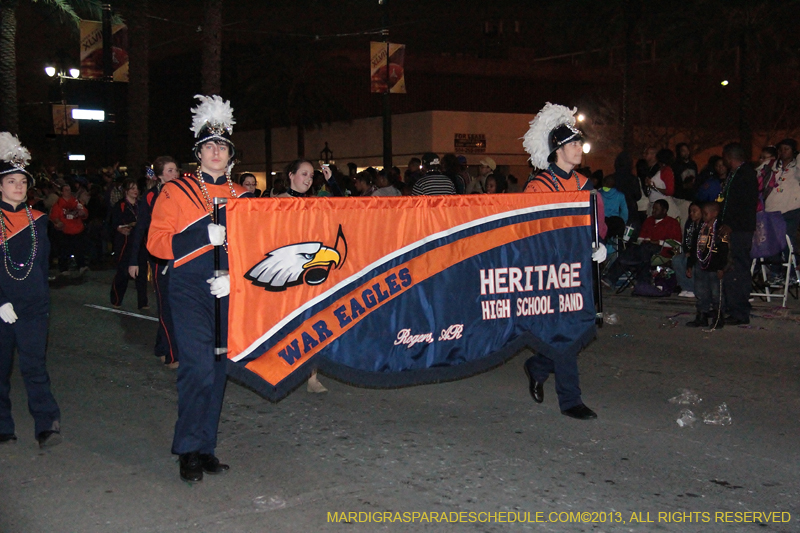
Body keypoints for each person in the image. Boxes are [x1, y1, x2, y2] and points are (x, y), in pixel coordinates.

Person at [148, 95, 251, 482]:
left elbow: (254, 248)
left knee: (220, 369)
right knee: (198, 368)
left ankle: (206, 446)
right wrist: (199, 237)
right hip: (189, 287)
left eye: (222, 145)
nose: (216, 151)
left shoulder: (244, 197)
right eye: (209, 145)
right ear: (198, 153)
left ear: (231, 154)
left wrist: (237, 277)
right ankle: (188, 448)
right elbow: (156, 243)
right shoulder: (175, 191)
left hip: (229, 290)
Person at [520, 102, 606, 421]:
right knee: (565, 333)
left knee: (580, 329)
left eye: (580, 143)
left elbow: (595, 224)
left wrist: (600, 245)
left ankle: (538, 366)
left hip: (578, 269)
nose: (579, 148)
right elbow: (528, 232)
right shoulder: (537, 187)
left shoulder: (585, 185)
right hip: (549, 272)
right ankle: (570, 400)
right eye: (573, 144)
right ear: (558, 150)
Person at [0, 133, 61, 448]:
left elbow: (42, 264)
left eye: (22, 182)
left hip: (34, 307)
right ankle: (2, 426)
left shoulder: (38, 220)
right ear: (0, 186)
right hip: (2, 307)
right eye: (11, 181)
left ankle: (46, 424)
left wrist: (41, 300)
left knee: (35, 367)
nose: (18, 187)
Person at [128, 156, 180, 368]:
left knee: (178, 304)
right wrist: (134, 260)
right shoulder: (151, 196)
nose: (175, 174)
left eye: (176, 170)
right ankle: (172, 354)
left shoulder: (184, 193)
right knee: (166, 304)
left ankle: (162, 346)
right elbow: (141, 228)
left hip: (181, 254)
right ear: (159, 175)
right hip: (160, 256)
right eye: (170, 171)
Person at [718, 142, 758, 326]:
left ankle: (740, 311)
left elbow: (744, 205)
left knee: (738, 269)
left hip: (739, 230)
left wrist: (731, 225)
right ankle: (730, 306)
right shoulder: (735, 175)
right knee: (729, 267)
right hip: (733, 228)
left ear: (729, 157)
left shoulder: (745, 175)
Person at [602, 199, 681, 287]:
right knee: (631, 250)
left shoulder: (672, 223)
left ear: (664, 211)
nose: (653, 211)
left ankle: (616, 278)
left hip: (661, 250)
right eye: (653, 208)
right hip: (644, 247)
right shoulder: (649, 220)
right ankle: (640, 281)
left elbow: (676, 243)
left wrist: (658, 242)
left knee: (637, 252)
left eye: (656, 209)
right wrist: (645, 240)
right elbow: (640, 238)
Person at [685, 203, 728, 328]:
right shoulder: (701, 229)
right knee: (701, 292)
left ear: (715, 214)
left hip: (715, 267)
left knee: (716, 293)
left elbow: (724, 250)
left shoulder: (720, 229)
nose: (703, 216)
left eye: (706, 214)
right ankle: (702, 316)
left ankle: (718, 317)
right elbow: (695, 248)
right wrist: (690, 265)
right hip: (701, 264)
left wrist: (721, 268)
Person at [110, 179, 149, 309]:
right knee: (123, 272)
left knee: (142, 272)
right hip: (125, 242)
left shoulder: (141, 204)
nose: (135, 191)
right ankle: (116, 299)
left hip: (140, 241)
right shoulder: (120, 205)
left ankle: (143, 302)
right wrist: (120, 228)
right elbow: (114, 222)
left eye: (136, 188)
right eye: (132, 188)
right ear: (126, 191)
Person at [763, 139, 800, 251]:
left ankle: (791, 262)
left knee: (788, 241)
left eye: (786, 149)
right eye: (781, 149)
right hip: (772, 210)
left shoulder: (796, 167)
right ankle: (775, 263)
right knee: (773, 242)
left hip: (791, 210)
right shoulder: (771, 165)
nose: (783, 151)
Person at [50, 182, 88, 275]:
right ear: (62, 192)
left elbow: (84, 212)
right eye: (66, 190)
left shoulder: (76, 202)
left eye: (69, 190)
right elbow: (54, 216)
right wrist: (58, 222)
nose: (68, 192)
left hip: (77, 229)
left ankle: (81, 266)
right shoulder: (58, 204)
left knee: (79, 249)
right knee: (64, 250)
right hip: (65, 230)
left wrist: (83, 213)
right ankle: (64, 269)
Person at [675, 202, 702, 298]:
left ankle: (692, 288)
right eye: (690, 211)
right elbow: (686, 239)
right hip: (688, 251)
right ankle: (685, 287)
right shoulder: (689, 223)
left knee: (689, 261)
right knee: (676, 260)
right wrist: (686, 251)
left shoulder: (703, 226)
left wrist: (691, 253)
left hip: (698, 253)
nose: (691, 213)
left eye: (694, 211)